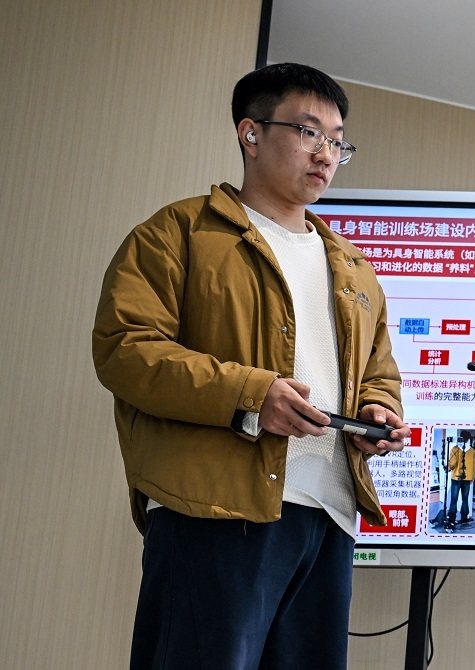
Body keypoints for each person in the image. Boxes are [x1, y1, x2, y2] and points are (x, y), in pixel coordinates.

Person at [92, 62, 410, 670]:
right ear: (251, 133)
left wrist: (378, 409)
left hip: (328, 514)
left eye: (338, 141)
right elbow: (125, 348)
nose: (326, 154)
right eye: (309, 132)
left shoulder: (353, 267)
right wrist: (252, 394)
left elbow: (379, 371)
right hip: (212, 509)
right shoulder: (178, 232)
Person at [446, 430, 475, 528]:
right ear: (469, 439)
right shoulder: (472, 451)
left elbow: (452, 463)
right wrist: (472, 477)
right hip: (467, 478)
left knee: (454, 499)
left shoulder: (455, 449)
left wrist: (448, 467)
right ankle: (464, 518)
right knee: (465, 499)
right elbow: (474, 466)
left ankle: (451, 519)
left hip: (456, 478)